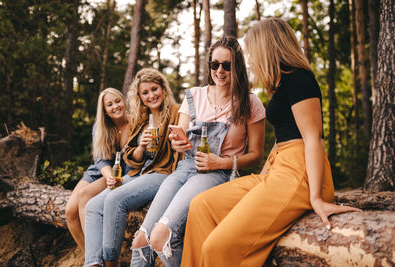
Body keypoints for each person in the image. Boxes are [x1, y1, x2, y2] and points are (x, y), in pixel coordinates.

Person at [180, 18, 361, 267]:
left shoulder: (300, 79)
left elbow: (313, 139)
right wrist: (263, 178)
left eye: (253, 51)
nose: (251, 59)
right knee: (201, 205)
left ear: (268, 46)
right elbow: (282, 138)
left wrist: (317, 197)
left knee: (217, 246)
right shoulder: (280, 82)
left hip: (299, 173)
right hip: (278, 169)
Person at [130, 36, 266, 267]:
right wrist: (178, 142)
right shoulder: (194, 95)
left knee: (161, 236)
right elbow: (179, 137)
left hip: (218, 174)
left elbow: (256, 156)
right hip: (185, 168)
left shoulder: (250, 103)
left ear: (238, 67)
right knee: (141, 240)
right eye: (215, 64)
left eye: (227, 65)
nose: (219, 71)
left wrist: (221, 163)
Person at [84, 68, 182, 267]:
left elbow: (181, 149)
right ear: (139, 97)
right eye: (145, 93)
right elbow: (132, 156)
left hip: (163, 172)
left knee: (114, 200)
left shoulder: (176, 112)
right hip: (140, 172)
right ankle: (93, 263)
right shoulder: (141, 118)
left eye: (154, 89)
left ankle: (110, 262)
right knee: (93, 206)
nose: (151, 95)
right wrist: (142, 147)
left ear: (163, 88)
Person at [65, 87, 130, 252]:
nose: (115, 106)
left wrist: (113, 177)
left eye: (117, 101)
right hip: (100, 171)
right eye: (110, 104)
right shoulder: (100, 127)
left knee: (84, 196)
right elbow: (100, 159)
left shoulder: (134, 123)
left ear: (124, 102)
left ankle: (95, 256)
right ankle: (91, 256)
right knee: (70, 211)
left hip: (122, 172)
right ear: (105, 110)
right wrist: (108, 175)